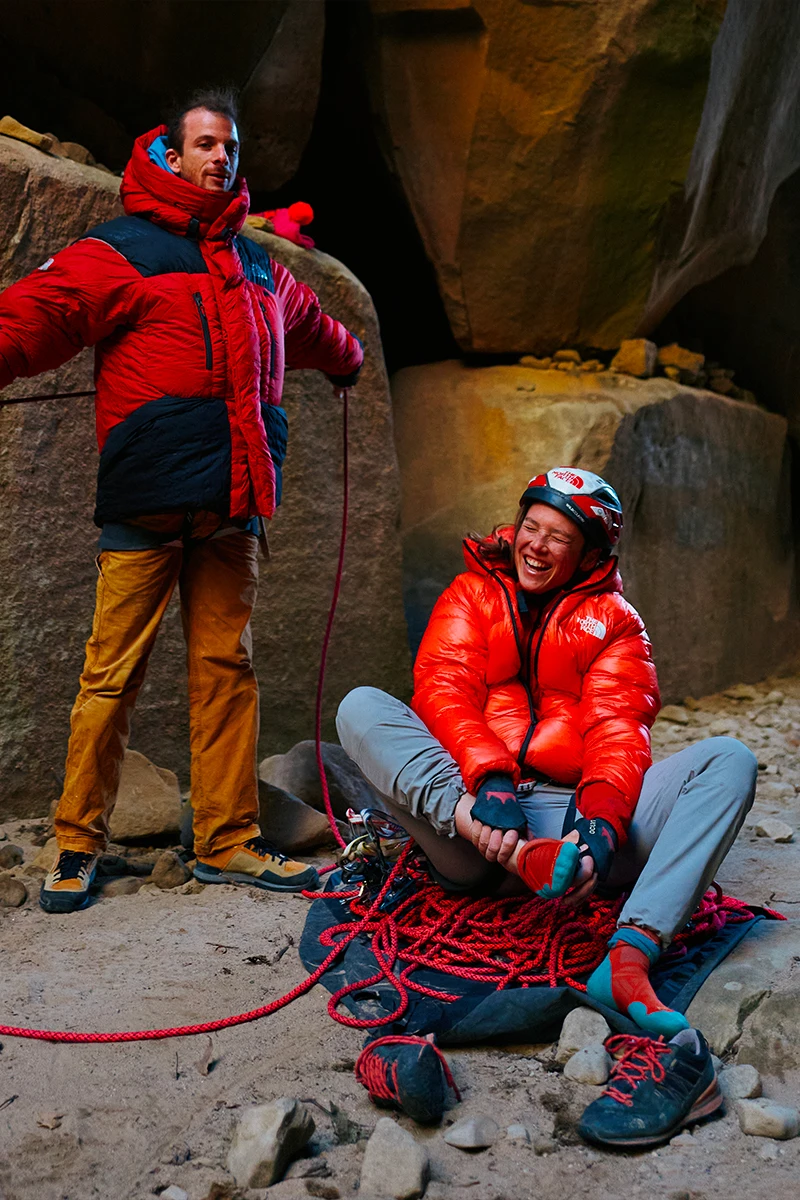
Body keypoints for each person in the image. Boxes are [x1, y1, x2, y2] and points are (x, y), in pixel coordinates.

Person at [0, 89, 363, 912]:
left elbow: (314, 329)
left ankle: (229, 841)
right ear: (169, 154)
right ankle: (76, 843)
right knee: (110, 678)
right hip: (148, 508)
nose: (217, 158)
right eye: (203, 144)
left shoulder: (261, 265)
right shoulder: (120, 249)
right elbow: (33, 319)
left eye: (228, 147)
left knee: (227, 672)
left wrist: (350, 360)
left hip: (233, 511)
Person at [337, 466, 757, 1040]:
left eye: (558, 536)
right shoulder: (470, 594)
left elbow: (618, 726)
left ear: (588, 553)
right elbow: (444, 690)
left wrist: (600, 831)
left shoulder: (616, 623)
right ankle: (519, 858)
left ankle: (629, 960)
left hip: (574, 827)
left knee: (728, 761)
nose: (536, 545)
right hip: (474, 823)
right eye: (530, 525)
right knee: (359, 707)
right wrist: (490, 785)